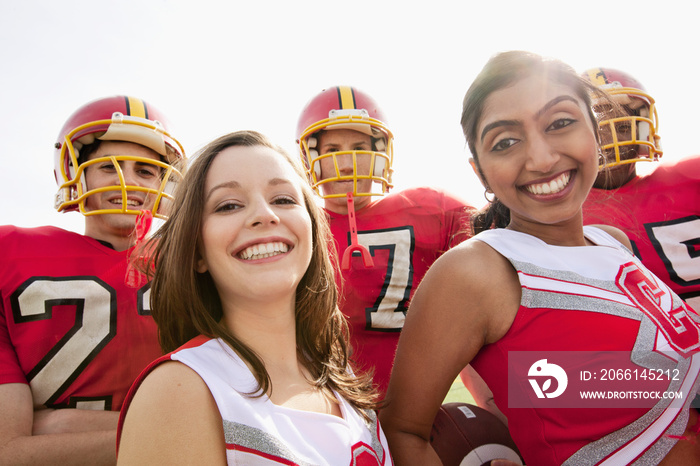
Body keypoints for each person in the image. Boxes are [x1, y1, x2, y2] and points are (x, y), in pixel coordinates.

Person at [379, 51, 700, 465]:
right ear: (480, 172)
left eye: (561, 123)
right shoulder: (475, 273)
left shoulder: (612, 242)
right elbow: (402, 430)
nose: (542, 159)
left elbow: (571, 390)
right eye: (506, 142)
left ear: (595, 133)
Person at [116, 131, 392, 465]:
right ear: (197, 252)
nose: (265, 215)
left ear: (312, 229)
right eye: (228, 205)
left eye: (283, 199)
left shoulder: (338, 371)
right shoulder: (178, 391)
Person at [0, 95, 186, 465]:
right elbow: (9, 450)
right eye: (109, 167)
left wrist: (60, 428)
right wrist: (173, 433)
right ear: (76, 171)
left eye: (146, 171)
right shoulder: (10, 253)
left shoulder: (195, 261)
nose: (128, 181)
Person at [296, 86, 475, 396]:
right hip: (323, 400)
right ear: (312, 158)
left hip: (413, 399)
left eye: (359, 148)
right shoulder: (297, 224)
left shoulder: (431, 209)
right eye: (333, 150)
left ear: (380, 155)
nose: (347, 163)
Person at [582, 67, 700, 311]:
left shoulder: (691, 178)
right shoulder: (544, 214)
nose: (607, 138)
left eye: (622, 126)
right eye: (593, 128)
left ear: (642, 130)